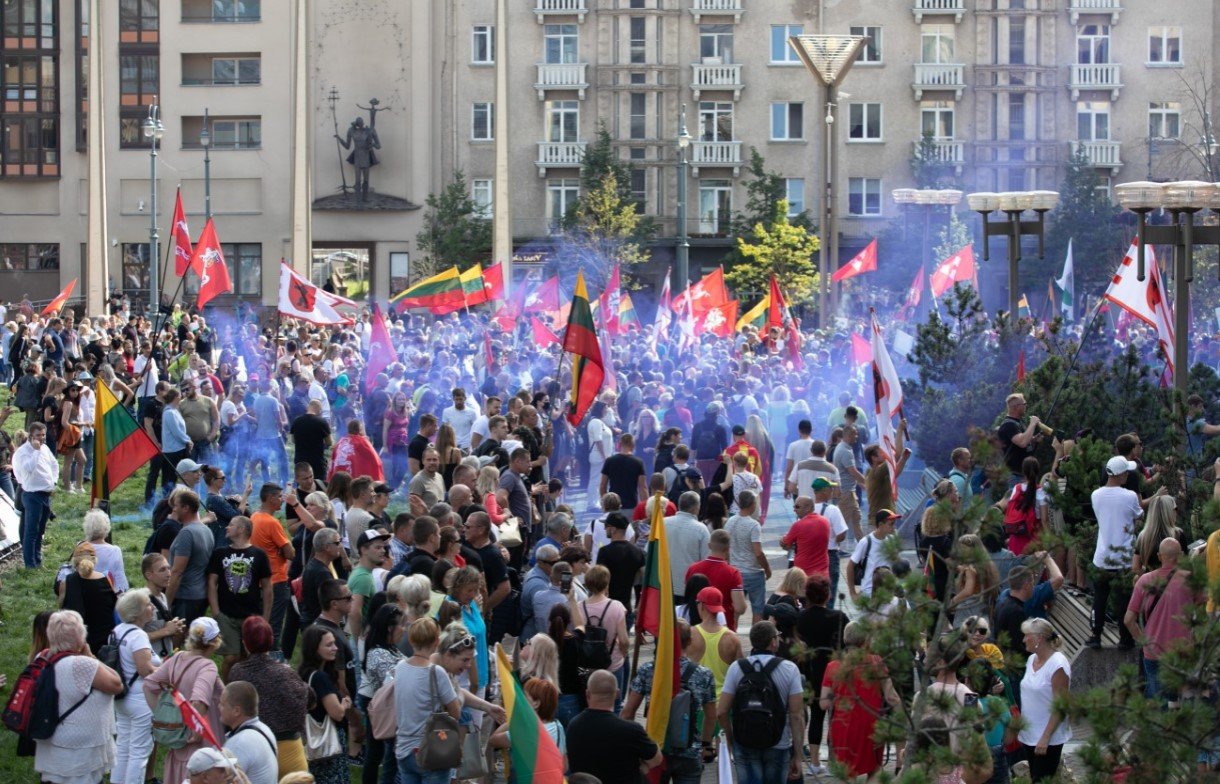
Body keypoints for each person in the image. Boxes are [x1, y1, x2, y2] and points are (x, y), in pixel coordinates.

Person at [621, 618, 717, 782]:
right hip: (690, 752)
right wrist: (706, 744)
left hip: (656, 751)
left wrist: (634, 745)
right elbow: (710, 716)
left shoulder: (649, 670)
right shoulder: (704, 674)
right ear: (690, 641)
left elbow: (628, 713)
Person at [33, 610, 123, 784]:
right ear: (81, 636)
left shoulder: (43, 657)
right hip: (79, 752)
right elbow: (116, 685)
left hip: (52, 740)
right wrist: (89, 656)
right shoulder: (82, 664)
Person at [718, 620, 808, 783]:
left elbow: (722, 711)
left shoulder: (736, 668)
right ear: (773, 642)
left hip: (744, 742)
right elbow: (797, 715)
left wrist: (731, 740)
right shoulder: (789, 669)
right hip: (778, 741)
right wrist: (797, 755)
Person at [144, 617, 226, 784]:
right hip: (201, 747)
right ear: (213, 643)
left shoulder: (177, 658)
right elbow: (199, 701)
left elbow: (149, 685)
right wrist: (194, 728)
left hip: (179, 742)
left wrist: (163, 716)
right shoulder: (207, 666)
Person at [230, 616, 312, 779]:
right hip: (291, 755)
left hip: (254, 753)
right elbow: (310, 699)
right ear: (271, 640)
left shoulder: (237, 673)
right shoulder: (286, 673)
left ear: (245, 643)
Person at [820, 620, 902, 781]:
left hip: (843, 728)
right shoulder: (877, 662)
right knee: (874, 770)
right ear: (866, 641)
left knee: (847, 773)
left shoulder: (833, 666)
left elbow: (824, 704)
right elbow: (892, 697)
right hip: (872, 727)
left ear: (845, 640)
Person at [1124, 538, 1200, 699]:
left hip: (1154, 652)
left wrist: (1144, 642)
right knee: (1182, 701)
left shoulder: (1144, 581)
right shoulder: (1190, 580)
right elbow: (1207, 606)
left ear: (1159, 556)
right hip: (1182, 653)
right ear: (1180, 555)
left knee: (1159, 702)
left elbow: (1128, 620)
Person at [394, 618, 461, 784]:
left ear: (411, 640)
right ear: (437, 642)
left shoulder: (400, 667)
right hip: (431, 750)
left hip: (404, 749)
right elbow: (455, 712)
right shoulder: (436, 672)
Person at [568, 669, 662, 784]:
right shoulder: (631, 730)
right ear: (617, 694)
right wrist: (640, 766)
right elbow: (657, 760)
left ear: (587, 694)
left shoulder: (573, 726)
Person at [208, 514, 273, 679]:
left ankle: (244, 689)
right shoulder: (220, 553)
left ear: (242, 529)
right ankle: (226, 689)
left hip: (251, 615)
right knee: (231, 657)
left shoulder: (259, 554)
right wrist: (216, 612)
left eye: (231, 525)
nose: (227, 527)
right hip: (226, 615)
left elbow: (267, 588)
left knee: (248, 658)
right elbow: (211, 583)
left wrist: (265, 617)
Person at [1089, 455, 1143, 649]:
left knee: (1099, 598)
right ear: (1120, 474)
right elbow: (1138, 514)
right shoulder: (1129, 496)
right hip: (1123, 557)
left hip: (1102, 556)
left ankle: (1095, 635)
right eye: (1126, 472)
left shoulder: (1096, 495)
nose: (1128, 474)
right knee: (1123, 600)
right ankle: (1125, 639)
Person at [795, 574, 846, 775]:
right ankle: (834, 761)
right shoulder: (839, 618)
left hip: (810, 673)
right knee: (836, 717)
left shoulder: (800, 619)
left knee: (816, 717)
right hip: (835, 673)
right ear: (827, 595)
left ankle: (815, 762)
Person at [113, 591, 163, 784]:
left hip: (123, 697)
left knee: (123, 746)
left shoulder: (117, 631)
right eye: (148, 605)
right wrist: (166, 667)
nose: (151, 607)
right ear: (138, 613)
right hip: (141, 699)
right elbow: (145, 670)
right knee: (140, 752)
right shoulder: (139, 636)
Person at [1017, 618, 1072, 781]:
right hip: (1029, 735)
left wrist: (1046, 737)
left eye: (1027, 635)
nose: (1023, 639)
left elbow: (1060, 706)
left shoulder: (1057, 664)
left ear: (1038, 638)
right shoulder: (1031, 660)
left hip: (1047, 738)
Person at [297, 625, 353, 784]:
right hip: (328, 747)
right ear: (315, 649)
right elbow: (337, 713)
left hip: (313, 746)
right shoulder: (320, 678)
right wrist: (345, 704)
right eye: (329, 645)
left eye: (334, 643)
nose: (335, 648)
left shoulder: (304, 674)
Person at [359, 604, 407, 784]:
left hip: (390, 707)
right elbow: (395, 683)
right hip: (382, 709)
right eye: (402, 625)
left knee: (386, 755)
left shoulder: (391, 647)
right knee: (378, 754)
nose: (404, 629)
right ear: (389, 627)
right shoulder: (378, 653)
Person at [490, 677, 568, 778]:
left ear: (536, 703)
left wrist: (513, 720)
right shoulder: (558, 726)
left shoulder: (524, 732)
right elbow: (565, 766)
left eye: (524, 697)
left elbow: (493, 740)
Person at [250, 483, 295, 652]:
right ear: (270, 498)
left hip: (259, 581)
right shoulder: (272, 522)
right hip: (276, 579)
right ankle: (272, 661)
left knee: (260, 622)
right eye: (279, 496)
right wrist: (285, 550)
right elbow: (290, 553)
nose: (282, 500)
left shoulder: (254, 517)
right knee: (273, 627)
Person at [57, 541, 118, 654]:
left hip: (79, 643)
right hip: (105, 643)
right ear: (94, 561)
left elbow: (61, 609)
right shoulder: (106, 580)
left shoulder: (67, 582)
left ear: (75, 562)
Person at [581, 564, 631, 700]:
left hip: (588, 664)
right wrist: (624, 653)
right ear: (606, 583)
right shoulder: (616, 606)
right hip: (612, 663)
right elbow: (624, 640)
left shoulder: (580, 607)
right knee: (615, 703)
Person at [167, 489, 216, 624]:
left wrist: (166, 603)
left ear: (186, 508)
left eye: (176, 505)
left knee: (177, 643)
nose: (174, 509)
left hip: (185, 597)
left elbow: (177, 572)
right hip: (200, 595)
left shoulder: (186, 533)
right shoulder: (206, 530)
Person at [14, 421, 57, 568]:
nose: (42, 438)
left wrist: (54, 482)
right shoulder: (22, 452)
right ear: (31, 436)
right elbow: (27, 469)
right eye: (38, 435)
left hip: (46, 494)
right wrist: (36, 452)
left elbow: (54, 464)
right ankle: (30, 565)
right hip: (32, 495)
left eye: (43, 434)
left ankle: (38, 561)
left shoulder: (44, 448)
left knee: (40, 531)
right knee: (31, 532)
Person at [686, 529, 748, 631]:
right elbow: (740, 608)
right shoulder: (733, 573)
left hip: (695, 627)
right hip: (723, 628)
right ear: (728, 549)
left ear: (709, 545)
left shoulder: (692, 569)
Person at [686, 586, 743, 697]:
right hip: (724, 703)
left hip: (697, 702)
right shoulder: (733, 638)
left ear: (702, 605)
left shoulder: (690, 635)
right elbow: (739, 673)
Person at [220, 681, 279, 784]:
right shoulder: (264, 729)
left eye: (222, 704)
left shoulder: (238, 743)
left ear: (236, 711)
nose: (218, 707)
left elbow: (223, 781)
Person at [725, 490, 769, 618]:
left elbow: (727, 548)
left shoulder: (730, 522)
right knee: (758, 608)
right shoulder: (753, 525)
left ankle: (733, 635)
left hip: (735, 572)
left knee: (735, 610)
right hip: (753, 572)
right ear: (752, 505)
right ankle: (757, 637)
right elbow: (758, 553)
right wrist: (767, 569)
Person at [664, 491, 710, 602]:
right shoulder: (701, 529)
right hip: (689, 587)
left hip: (665, 585)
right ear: (696, 508)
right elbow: (706, 560)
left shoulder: (662, 523)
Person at [846, 508, 901, 602]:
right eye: (890, 524)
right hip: (869, 593)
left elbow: (896, 565)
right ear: (880, 525)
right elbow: (850, 566)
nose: (893, 527)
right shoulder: (866, 542)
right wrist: (852, 593)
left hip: (888, 592)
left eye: (894, 524)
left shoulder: (892, 540)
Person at [348, 529, 391, 640]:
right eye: (377, 547)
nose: (383, 551)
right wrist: (359, 643)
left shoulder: (363, 572)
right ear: (364, 550)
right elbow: (354, 612)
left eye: (383, 547)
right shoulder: (363, 577)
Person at [997, 393, 1043, 486]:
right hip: (1015, 475)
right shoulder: (1009, 425)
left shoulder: (1019, 422)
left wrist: (1033, 440)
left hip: (1024, 473)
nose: (1026, 406)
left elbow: (1023, 441)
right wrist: (1033, 423)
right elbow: (1022, 442)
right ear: (1016, 407)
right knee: (1017, 500)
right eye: (1024, 404)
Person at [831, 424, 866, 541]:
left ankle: (862, 545)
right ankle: (833, 547)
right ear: (849, 435)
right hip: (846, 493)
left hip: (849, 491)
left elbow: (850, 472)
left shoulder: (843, 447)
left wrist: (861, 483)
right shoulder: (845, 451)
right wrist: (867, 482)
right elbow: (852, 471)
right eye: (855, 434)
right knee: (842, 523)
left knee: (857, 518)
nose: (856, 437)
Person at [601, 432, 647, 510]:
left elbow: (603, 486)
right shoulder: (638, 462)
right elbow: (642, 487)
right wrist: (644, 508)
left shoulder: (609, 461)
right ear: (633, 445)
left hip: (613, 506)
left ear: (619, 444)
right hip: (631, 505)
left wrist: (606, 504)